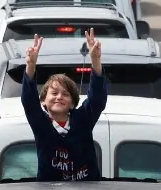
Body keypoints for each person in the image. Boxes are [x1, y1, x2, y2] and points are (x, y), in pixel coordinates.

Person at [21, 30, 107, 181]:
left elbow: (97, 100)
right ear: (43, 101)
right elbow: (29, 101)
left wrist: (95, 60)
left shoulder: (82, 120)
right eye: (54, 93)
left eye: (65, 94)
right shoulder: (41, 123)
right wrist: (31, 65)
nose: (59, 97)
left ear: (73, 103)